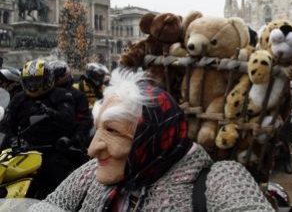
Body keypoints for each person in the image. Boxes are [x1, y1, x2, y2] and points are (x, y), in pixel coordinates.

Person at [29, 68, 274, 212]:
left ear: (153, 137)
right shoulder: (91, 174)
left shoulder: (219, 180)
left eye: (113, 131)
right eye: (98, 130)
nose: (93, 150)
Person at [0, 59, 76, 198]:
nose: (33, 85)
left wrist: (51, 113)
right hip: (22, 150)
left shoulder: (61, 95)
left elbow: (68, 119)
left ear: (47, 79)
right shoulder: (19, 98)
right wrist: (12, 140)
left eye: (36, 81)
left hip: (51, 149)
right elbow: (6, 124)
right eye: (30, 81)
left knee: (57, 182)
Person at [49, 60, 92, 151]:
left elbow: (83, 120)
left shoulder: (78, 96)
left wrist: (75, 138)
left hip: (69, 141)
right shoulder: (46, 93)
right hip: (47, 138)